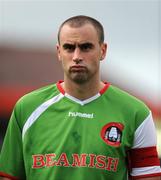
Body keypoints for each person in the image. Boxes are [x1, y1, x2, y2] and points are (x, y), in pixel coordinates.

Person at [0, 15, 161, 180]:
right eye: (69, 47)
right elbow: (9, 176)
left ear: (102, 50)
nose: (77, 56)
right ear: (59, 52)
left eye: (86, 47)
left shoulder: (135, 113)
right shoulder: (27, 108)